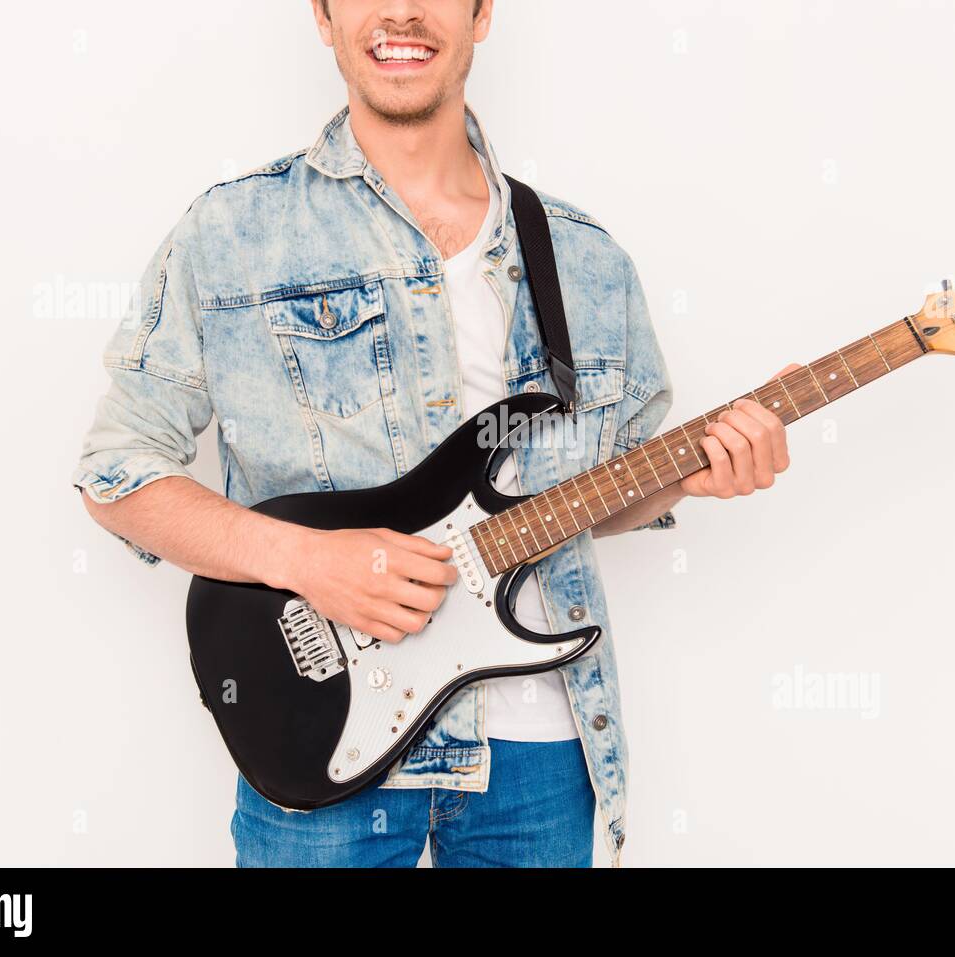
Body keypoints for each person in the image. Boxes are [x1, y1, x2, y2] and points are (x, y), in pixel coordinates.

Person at [73, 0, 793, 867]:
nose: (402, 12)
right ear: (324, 16)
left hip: (537, 755)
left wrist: (686, 477)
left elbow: (584, 496)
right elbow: (116, 472)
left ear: (483, 13)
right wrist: (308, 563)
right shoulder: (233, 233)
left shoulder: (583, 257)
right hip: (321, 747)